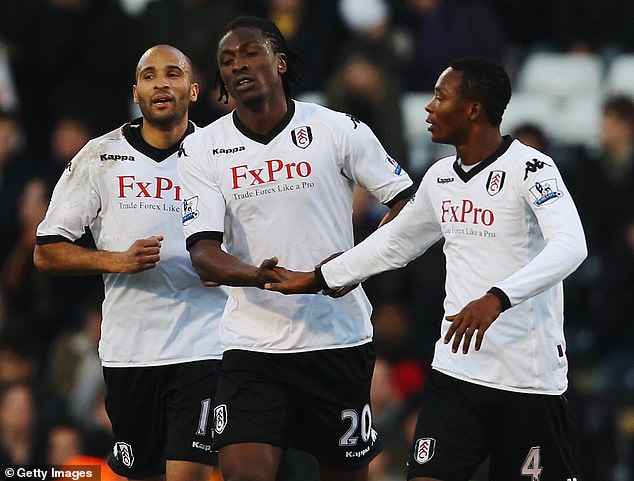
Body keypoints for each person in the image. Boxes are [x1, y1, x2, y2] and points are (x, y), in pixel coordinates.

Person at [266, 57, 587, 481]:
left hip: (528, 382)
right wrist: (320, 278)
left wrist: (497, 299)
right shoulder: (439, 178)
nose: (428, 107)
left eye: (441, 97)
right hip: (456, 375)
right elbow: (395, 243)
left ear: (473, 109)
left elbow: (572, 245)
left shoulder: (531, 168)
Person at [176, 15, 414, 481]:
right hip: (252, 347)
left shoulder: (335, 129)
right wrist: (256, 276)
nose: (238, 66)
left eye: (250, 53)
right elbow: (203, 252)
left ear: (280, 62)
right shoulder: (201, 149)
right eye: (227, 60)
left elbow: (410, 204)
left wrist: (352, 267)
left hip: (337, 340)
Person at [33, 45, 227, 481]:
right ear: (135, 93)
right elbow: (46, 250)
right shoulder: (99, 157)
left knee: (188, 473)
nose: (161, 83)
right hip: (129, 352)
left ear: (193, 90)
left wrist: (227, 266)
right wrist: (116, 261)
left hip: (204, 344)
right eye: (149, 75)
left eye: (173, 74)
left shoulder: (220, 156)